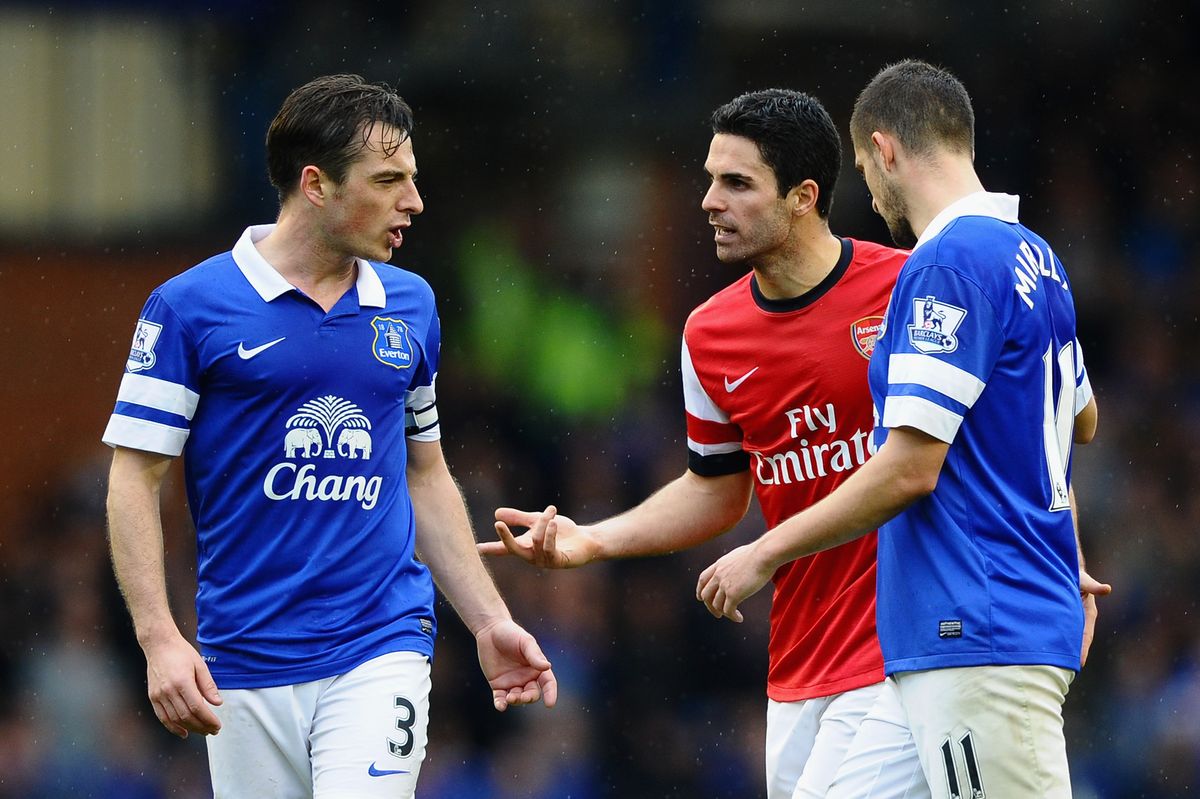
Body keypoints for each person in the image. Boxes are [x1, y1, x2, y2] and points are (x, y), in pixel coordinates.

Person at [102, 74, 557, 799]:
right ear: (316, 184)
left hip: (380, 642)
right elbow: (135, 475)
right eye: (389, 180)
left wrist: (488, 620)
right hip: (243, 657)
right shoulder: (190, 307)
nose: (414, 201)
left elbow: (425, 472)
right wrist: (159, 637)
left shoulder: (410, 305)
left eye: (413, 178)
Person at [481, 89, 929, 798]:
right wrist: (592, 540)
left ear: (803, 196)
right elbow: (716, 489)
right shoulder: (709, 334)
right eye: (711, 179)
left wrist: (1056, 550)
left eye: (737, 183)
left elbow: (1005, 430)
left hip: (907, 651)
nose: (709, 201)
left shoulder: (906, 288)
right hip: (798, 664)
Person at [696, 59, 1110, 799]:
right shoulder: (1036, 259)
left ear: (884, 150)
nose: (871, 188)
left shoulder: (945, 262)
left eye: (863, 165)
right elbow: (1078, 418)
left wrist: (765, 550)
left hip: (979, 625)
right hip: (941, 639)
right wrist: (1061, 550)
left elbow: (911, 466)